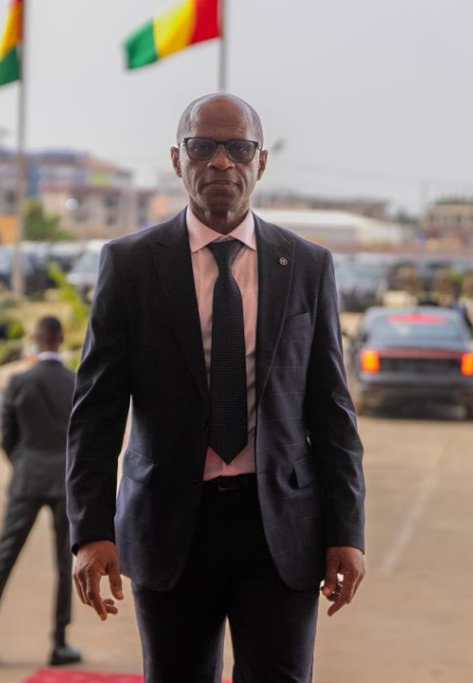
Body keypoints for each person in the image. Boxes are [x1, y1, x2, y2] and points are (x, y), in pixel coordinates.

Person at [66, 93, 366, 682]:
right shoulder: (130, 265)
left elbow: (332, 410)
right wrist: (91, 531)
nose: (221, 163)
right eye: (203, 147)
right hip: (170, 526)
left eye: (238, 148)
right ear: (178, 160)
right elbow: (96, 411)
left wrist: (346, 531)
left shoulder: (306, 265)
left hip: (280, 528)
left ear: (261, 161)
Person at [0, 316, 81, 667]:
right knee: (64, 564)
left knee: (4, 559)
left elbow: (5, 435)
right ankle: (60, 643)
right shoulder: (76, 382)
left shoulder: (19, 382)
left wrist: (22, 463)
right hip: (64, 480)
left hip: (27, 479)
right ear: (60, 339)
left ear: (35, 338)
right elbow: (84, 436)